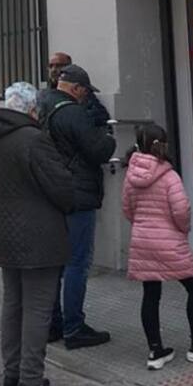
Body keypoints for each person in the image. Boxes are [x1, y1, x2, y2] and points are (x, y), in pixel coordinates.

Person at [0, 81, 75, 386]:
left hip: (4, 230)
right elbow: (62, 188)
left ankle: (13, 372)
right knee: (37, 308)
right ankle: (31, 380)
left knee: (13, 304)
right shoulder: (34, 140)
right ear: (33, 109)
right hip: (38, 234)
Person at [124, 123, 193, 370]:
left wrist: (142, 225)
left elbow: (127, 208)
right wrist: (182, 231)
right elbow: (181, 210)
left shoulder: (131, 175)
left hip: (142, 239)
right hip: (169, 240)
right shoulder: (168, 175)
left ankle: (155, 351)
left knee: (151, 293)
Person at [42, 64, 116, 349]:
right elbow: (97, 149)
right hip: (77, 194)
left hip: (52, 193)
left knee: (56, 264)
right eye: (84, 92)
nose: (85, 97)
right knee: (76, 263)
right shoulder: (72, 112)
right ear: (76, 89)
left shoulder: (42, 105)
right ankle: (74, 328)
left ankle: (53, 324)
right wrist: (108, 140)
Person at [40, 52, 111, 130]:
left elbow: (100, 117)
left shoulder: (83, 93)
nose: (53, 70)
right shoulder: (42, 96)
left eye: (59, 66)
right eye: (50, 66)